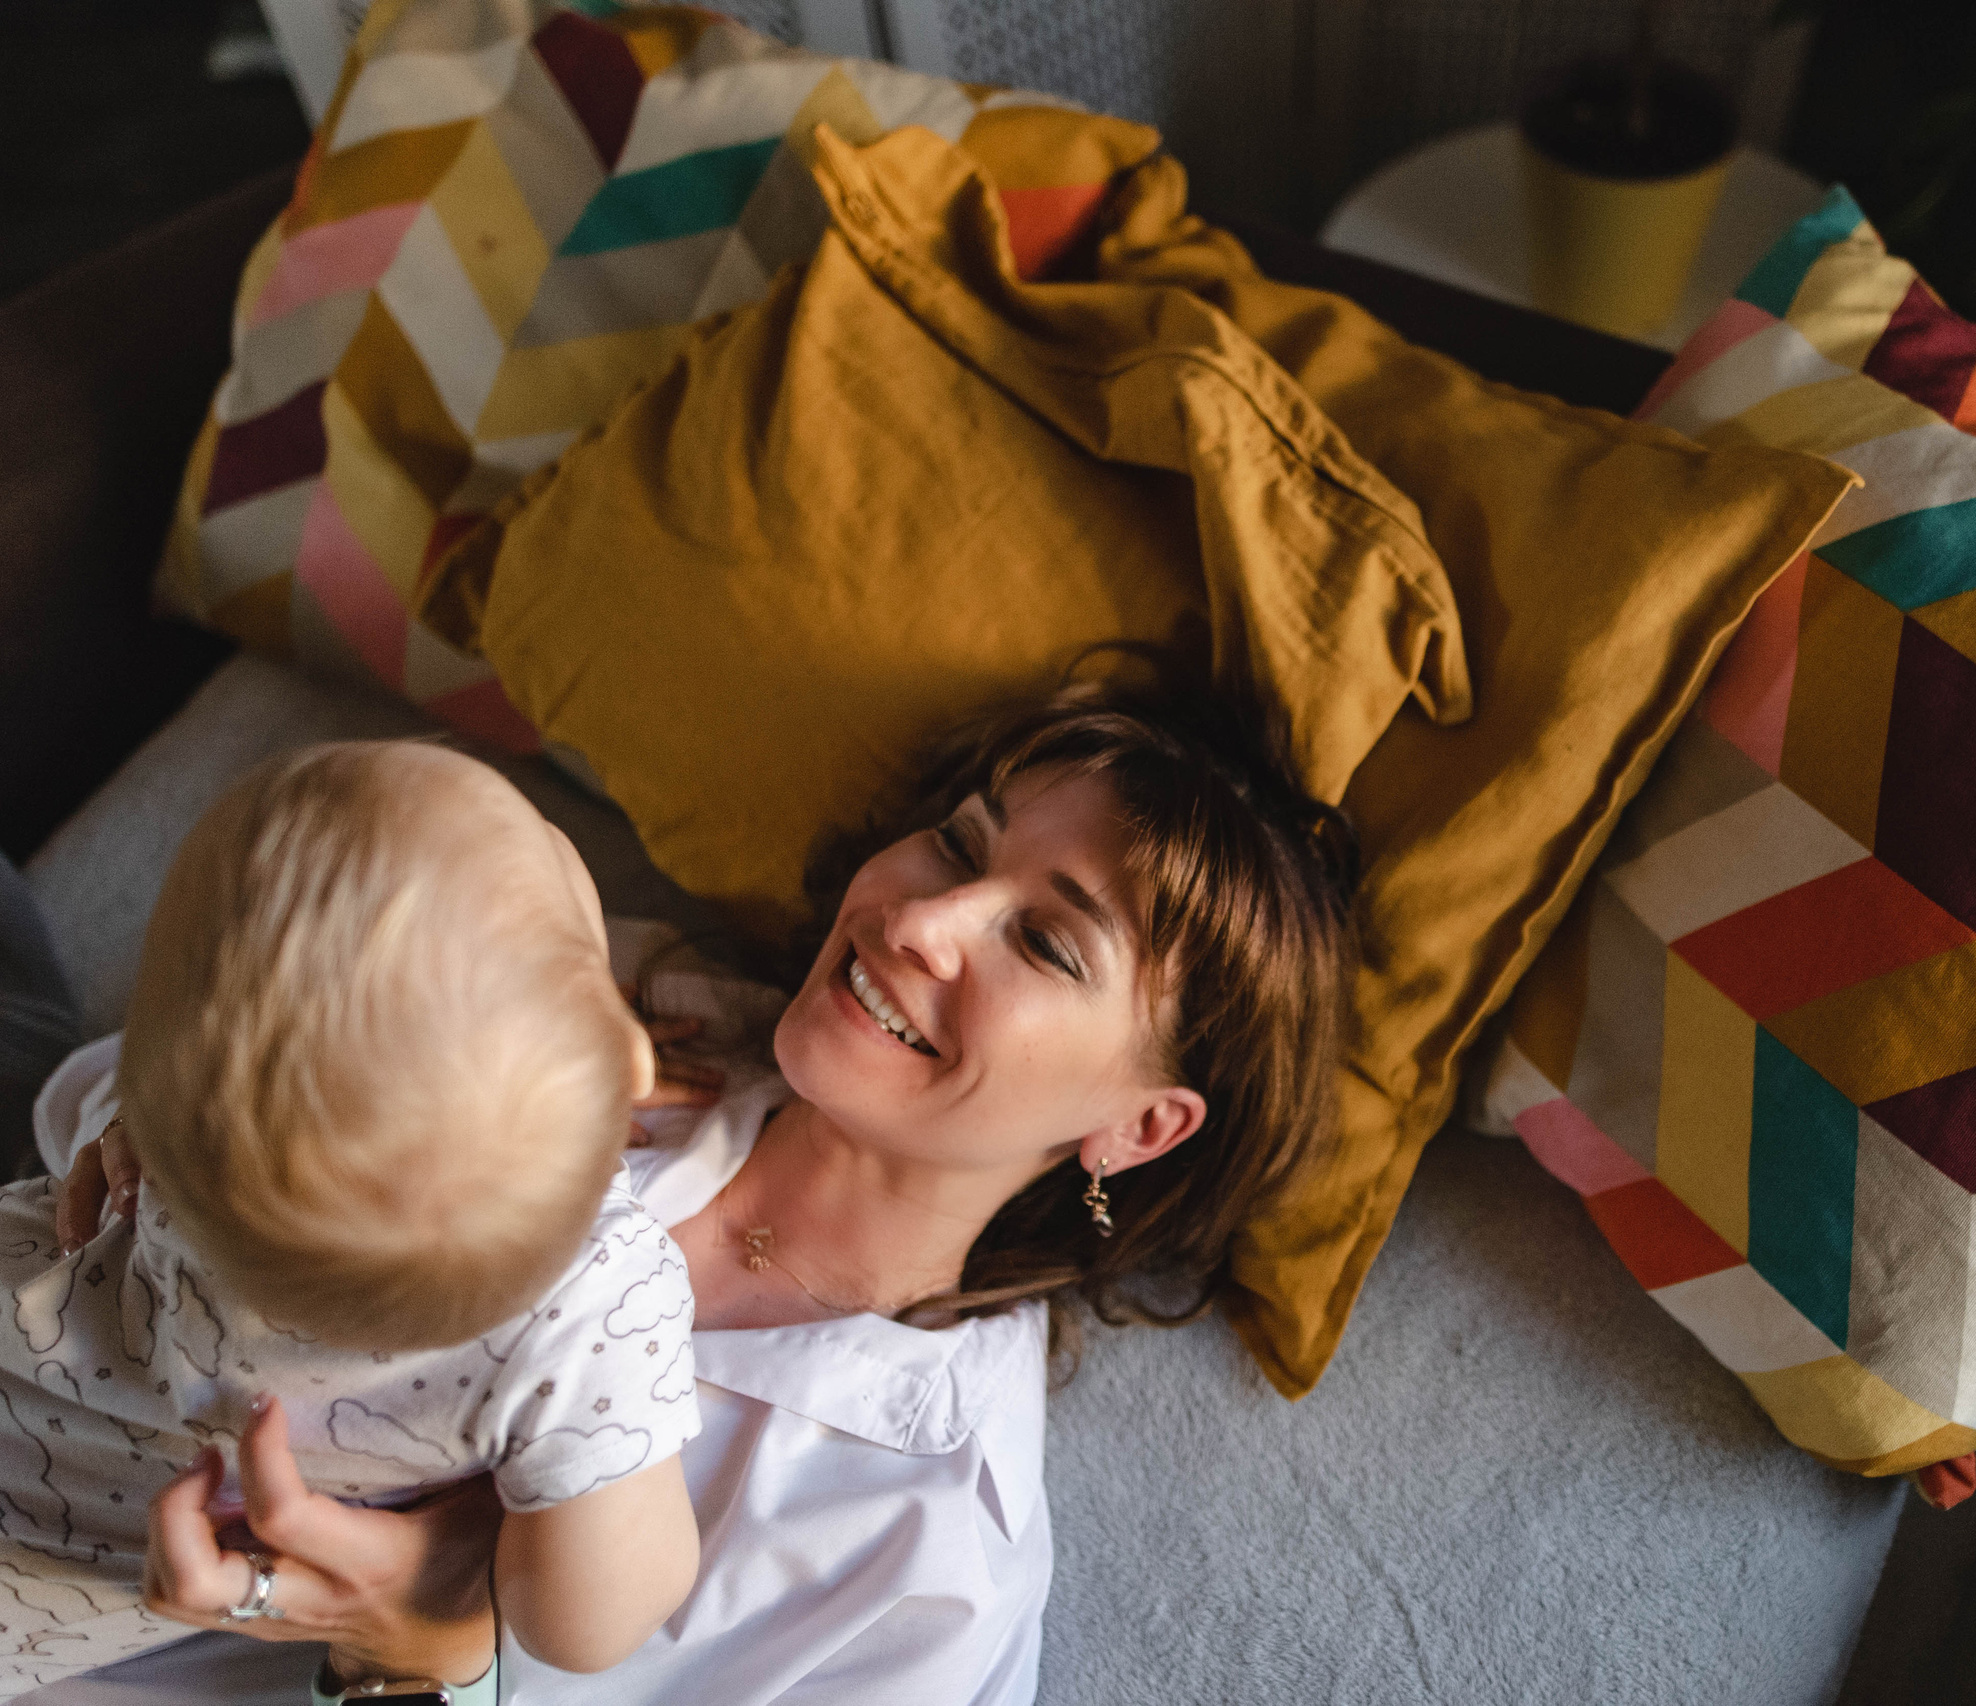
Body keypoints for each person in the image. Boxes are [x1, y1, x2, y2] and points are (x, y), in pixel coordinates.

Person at [103, 686, 1359, 1705]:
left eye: (1042, 941)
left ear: (1137, 1126)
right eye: (958, 845)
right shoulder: (637, 989)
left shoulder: (928, 1549)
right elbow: (151, 1059)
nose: (920, 916)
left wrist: (420, 1659)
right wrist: (149, 1122)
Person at [0, 743, 706, 1700]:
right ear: (633, 1064)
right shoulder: (591, 1317)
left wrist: (155, 1123)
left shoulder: (206, 1164)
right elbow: (582, 1627)